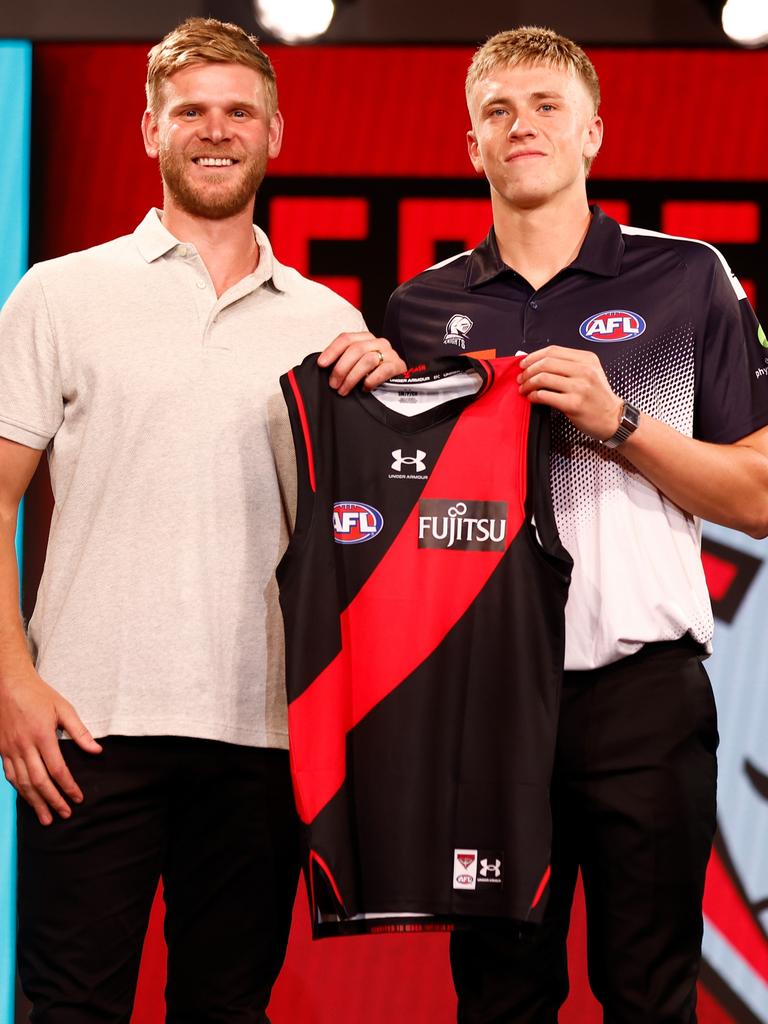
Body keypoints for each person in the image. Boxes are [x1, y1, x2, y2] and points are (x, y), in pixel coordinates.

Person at [0, 17, 400, 1023]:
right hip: (85, 727)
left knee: (227, 1009)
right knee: (67, 1008)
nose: (214, 130)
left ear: (275, 133)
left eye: (237, 112)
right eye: (191, 111)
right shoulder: (60, 293)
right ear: (149, 129)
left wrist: (393, 409)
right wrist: (10, 679)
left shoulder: (330, 323)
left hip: (261, 732)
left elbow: (373, 541)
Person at [378, 26, 768, 1024]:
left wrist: (620, 421)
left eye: (547, 105)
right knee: (500, 1002)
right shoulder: (421, 311)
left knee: (649, 996)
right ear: (471, 146)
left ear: (595, 130)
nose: (523, 125)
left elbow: (759, 495)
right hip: (484, 701)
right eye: (498, 110)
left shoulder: (689, 280)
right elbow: (395, 523)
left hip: (646, 697)